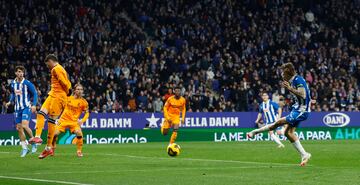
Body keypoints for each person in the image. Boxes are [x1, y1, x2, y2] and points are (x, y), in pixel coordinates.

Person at [247, 62, 312, 166]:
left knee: (278, 122)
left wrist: (290, 89)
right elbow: (306, 95)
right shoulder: (294, 80)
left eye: (283, 72)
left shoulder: (297, 80)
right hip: (297, 109)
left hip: (301, 111)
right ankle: (304, 154)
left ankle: (255, 132)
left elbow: (303, 95)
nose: (281, 75)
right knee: (288, 133)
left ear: (288, 73)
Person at [30, 54, 72, 158]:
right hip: (52, 94)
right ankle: (38, 137)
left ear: (50, 61)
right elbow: (68, 82)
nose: (47, 66)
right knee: (41, 114)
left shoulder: (56, 69)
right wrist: (68, 90)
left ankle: (48, 148)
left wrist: (67, 92)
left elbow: (65, 83)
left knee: (51, 121)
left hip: (58, 97)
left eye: (47, 63)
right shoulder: (61, 69)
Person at [39, 84, 89, 159]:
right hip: (63, 120)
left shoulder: (84, 102)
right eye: (78, 89)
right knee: (54, 134)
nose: (79, 91)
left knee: (79, 133)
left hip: (74, 122)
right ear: (74, 90)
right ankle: (53, 147)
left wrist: (82, 121)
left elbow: (87, 113)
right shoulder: (67, 98)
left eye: (81, 89)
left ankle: (79, 151)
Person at [6, 66, 38, 157]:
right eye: (19, 72)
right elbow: (13, 93)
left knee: (24, 125)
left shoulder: (27, 83)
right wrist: (9, 101)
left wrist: (34, 104)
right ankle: (25, 148)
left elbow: (35, 93)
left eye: (22, 72)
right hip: (17, 109)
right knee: (19, 128)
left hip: (26, 107)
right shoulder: (13, 83)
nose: (20, 73)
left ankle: (33, 142)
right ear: (16, 73)